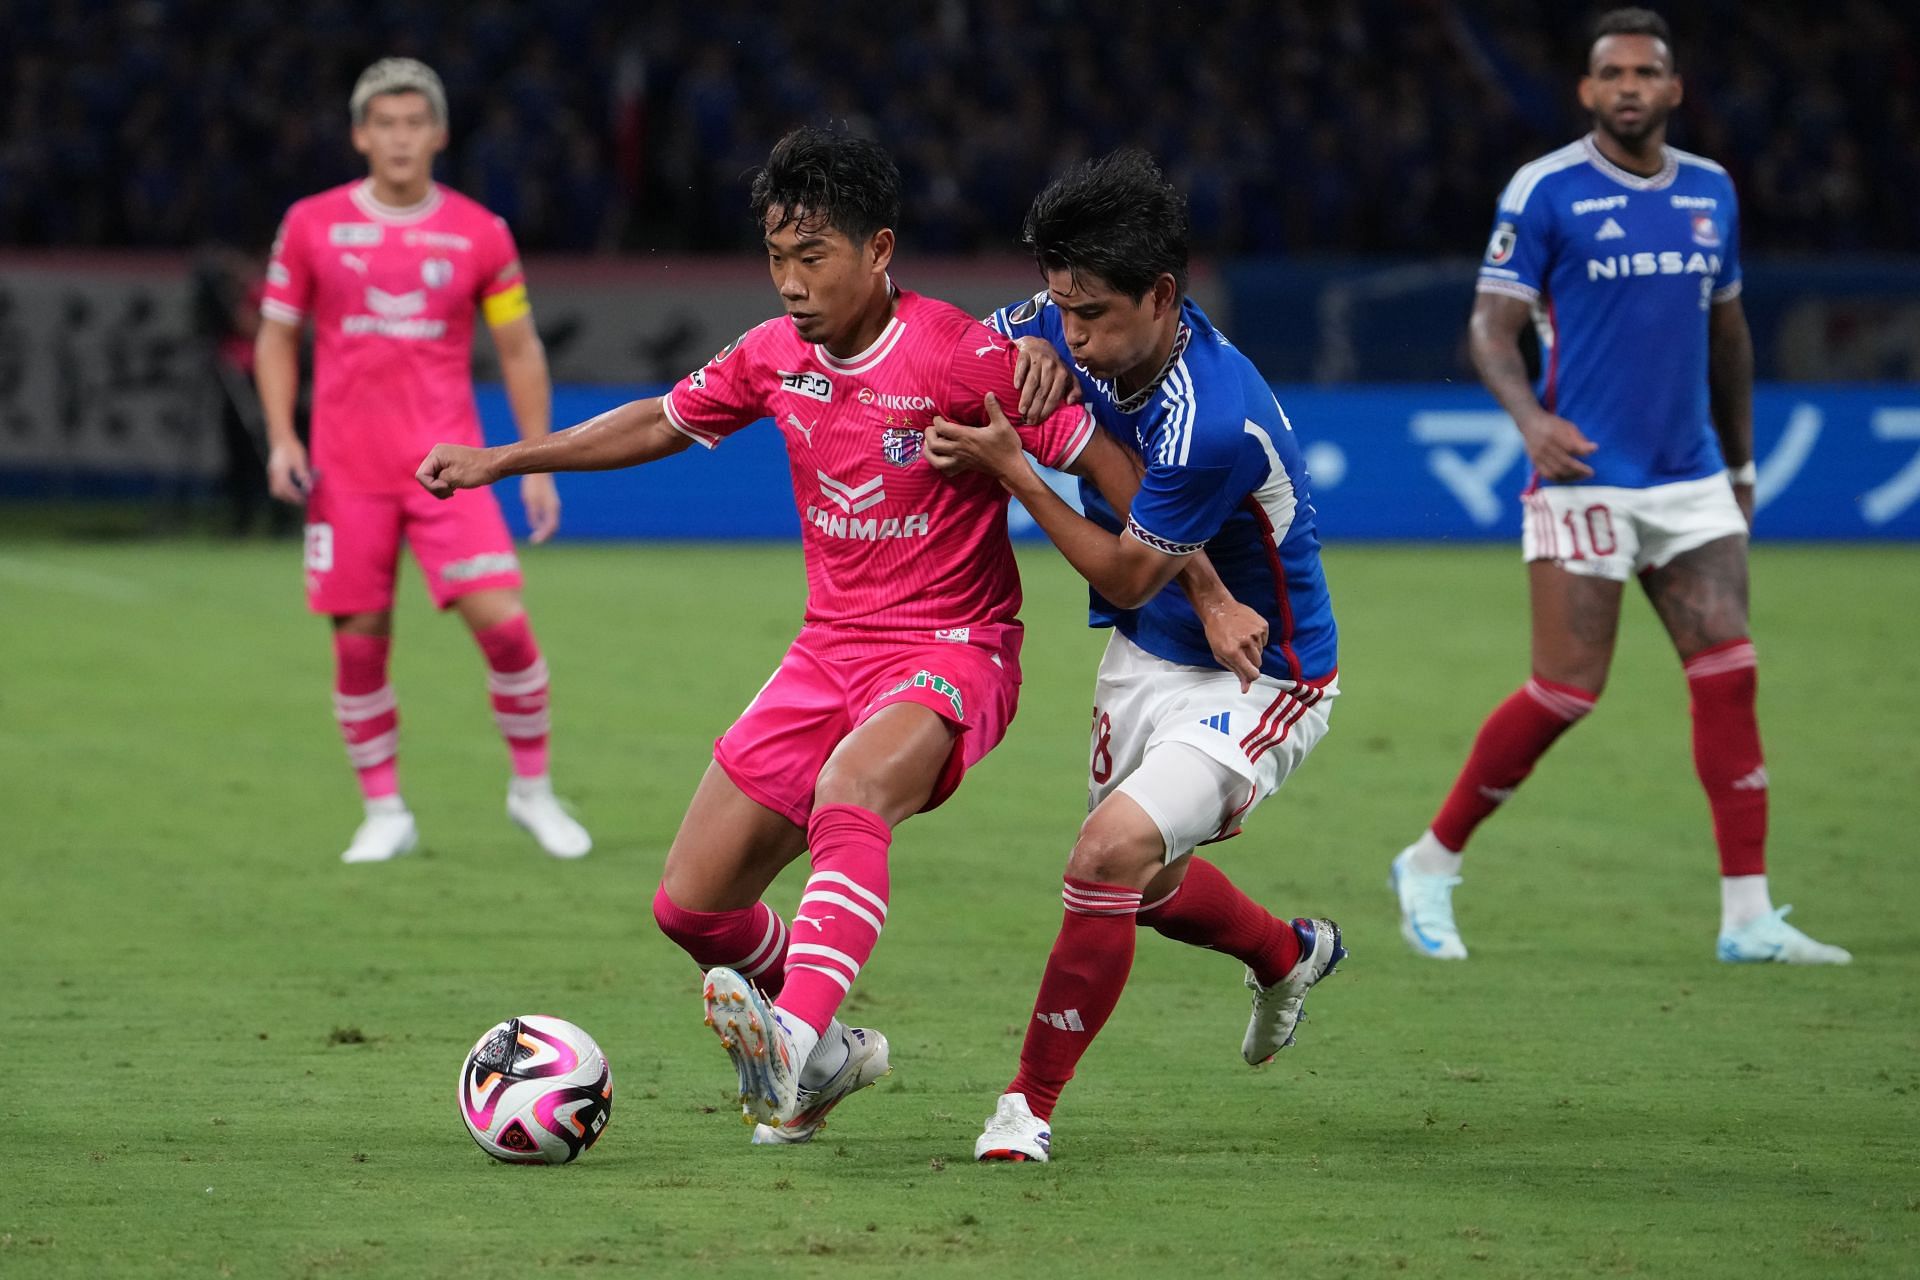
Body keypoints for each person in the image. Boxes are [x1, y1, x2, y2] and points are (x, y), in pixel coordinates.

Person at [417, 127, 1265, 1146]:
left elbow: (1111, 467)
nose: (791, 283)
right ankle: (823, 1060)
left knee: (852, 788)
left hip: (957, 643)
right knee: (692, 905)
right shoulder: (774, 357)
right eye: (777, 257)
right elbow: (656, 420)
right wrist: (507, 457)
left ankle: (791, 1031)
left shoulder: (962, 354)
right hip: (828, 650)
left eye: (812, 257)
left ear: (879, 250)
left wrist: (1206, 590)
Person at [1388, 8, 1848, 965]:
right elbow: (1489, 326)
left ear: (1675, 91)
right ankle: (1430, 862)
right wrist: (1530, 423)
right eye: (1613, 73)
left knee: (1730, 676)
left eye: (1648, 71)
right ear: (1589, 91)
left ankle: (1748, 916)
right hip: (1585, 480)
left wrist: (1742, 464)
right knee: (1565, 691)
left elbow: (1729, 336)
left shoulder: (1713, 192)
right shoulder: (1546, 189)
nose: (1631, 85)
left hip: (1691, 482)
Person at [924, 150, 1345, 1165]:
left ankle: (1025, 1108)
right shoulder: (1058, 321)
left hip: (1264, 676)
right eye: (1060, 307)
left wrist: (1016, 466)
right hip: (1146, 657)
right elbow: (966, 361)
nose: (1072, 335)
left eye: (1096, 316)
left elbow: (1121, 571)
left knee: (1106, 854)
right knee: (1141, 888)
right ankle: (1288, 953)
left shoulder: (1213, 417)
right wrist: (1011, 365)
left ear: (1163, 295)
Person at [255, 58, 591, 863]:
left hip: (451, 467)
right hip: (348, 471)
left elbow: (519, 349)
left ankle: (533, 793)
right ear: (360, 135)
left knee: (507, 630)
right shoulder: (310, 225)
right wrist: (282, 435)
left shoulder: (479, 233)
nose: (401, 139)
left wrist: (534, 462)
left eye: (416, 124)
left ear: (438, 134)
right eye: (386, 124)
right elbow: (276, 335)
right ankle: (385, 812)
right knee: (359, 643)